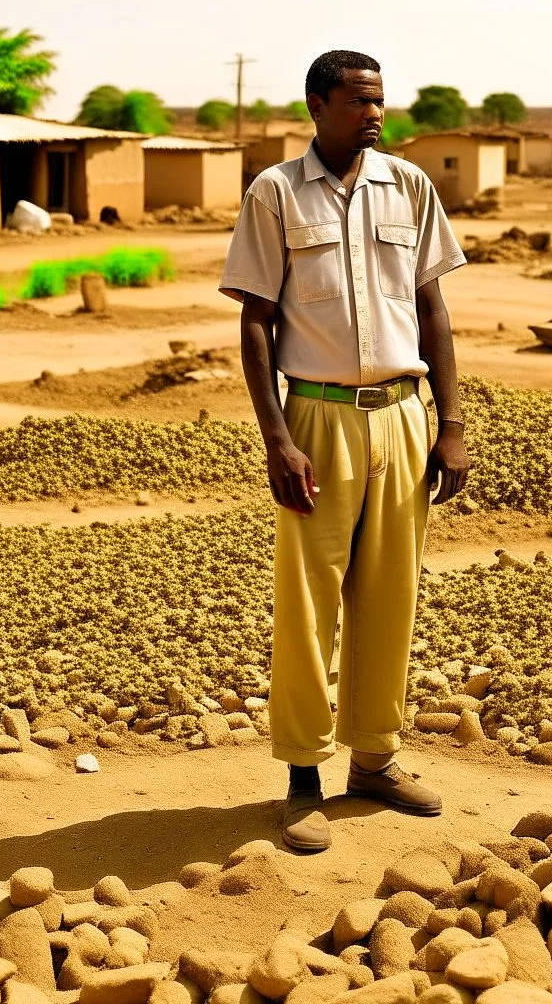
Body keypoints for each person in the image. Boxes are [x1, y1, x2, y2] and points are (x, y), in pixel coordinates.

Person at [219, 49, 469, 852]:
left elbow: (433, 310)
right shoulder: (276, 193)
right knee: (309, 604)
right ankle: (301, 777)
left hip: (402, 414)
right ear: (317, 106)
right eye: (359, 102)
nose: (375, 115)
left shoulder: (411, 186)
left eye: (381, 102)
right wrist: (277, 440)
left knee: (392, 595)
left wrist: (450, 423)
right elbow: (255, 322)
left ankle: (375, 760)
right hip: (318, 421)